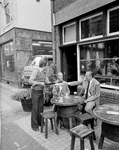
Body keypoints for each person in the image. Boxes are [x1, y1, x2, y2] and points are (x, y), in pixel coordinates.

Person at [29, 57, 47, 131]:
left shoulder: (44, 72)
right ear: (44, 65)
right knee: (35, 109)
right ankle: (34, 125)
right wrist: (40, 83)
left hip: (41, 92)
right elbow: (30, 81)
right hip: (35, 92)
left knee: (41, 108)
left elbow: (46, 82)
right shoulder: (36, 71)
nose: (47, 67)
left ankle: (40, 122)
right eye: (46, 65)